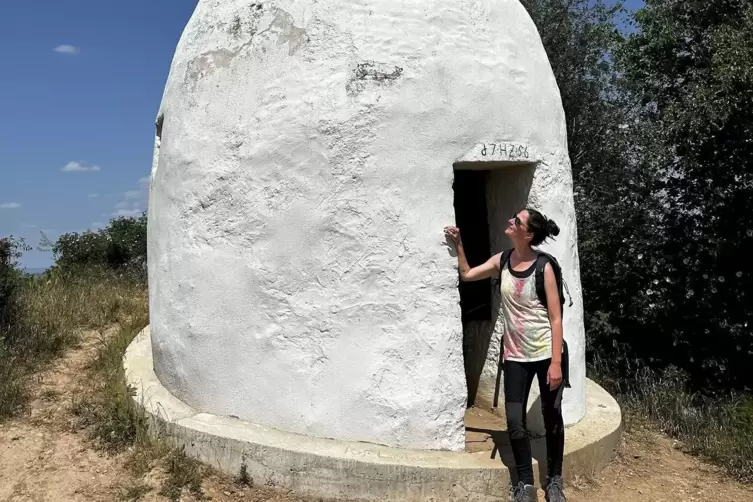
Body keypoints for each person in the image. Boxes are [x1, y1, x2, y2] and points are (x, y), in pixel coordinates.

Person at [444, 208, 566, 502]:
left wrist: (556, 363)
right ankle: (525, 483)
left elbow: (555, 318)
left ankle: (554, 481)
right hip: (515, 356)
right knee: (514, 421)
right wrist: (459, 245)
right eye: (513, 216)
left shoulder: (544, 267)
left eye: (517, 221)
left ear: (528, 233)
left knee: (552, 418)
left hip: (545, 355)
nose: (511, 221)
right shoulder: (503, 260)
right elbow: (468, 273)